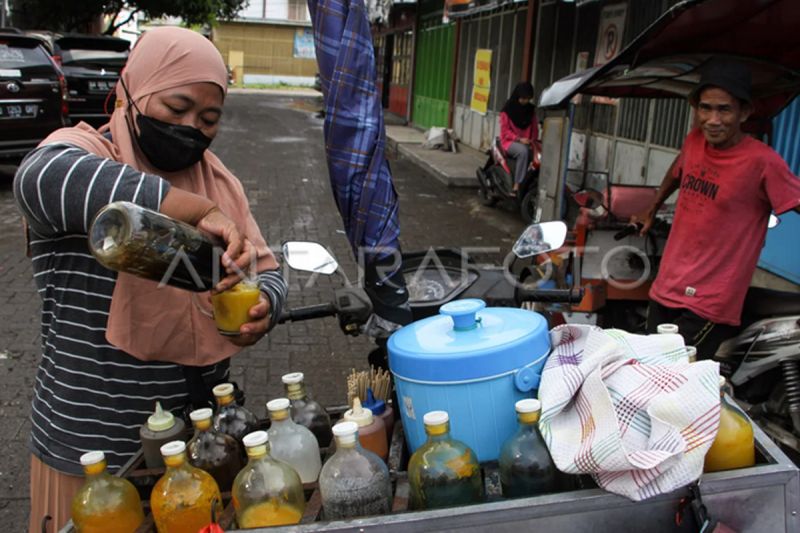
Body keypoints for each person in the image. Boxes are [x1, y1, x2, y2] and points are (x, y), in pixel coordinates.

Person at [13, 27, 288, 532]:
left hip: (200, 441)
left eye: (209, 118)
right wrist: (189, 210)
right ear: (128, 91)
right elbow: (39, 179)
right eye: (177, 107)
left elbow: (264, 270)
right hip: (95, 450)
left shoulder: (219, 181)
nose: (191, 128)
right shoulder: (81, 152)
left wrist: (264, 306)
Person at [632, 58, 800, 357]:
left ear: (744, 112)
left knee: (675, 378)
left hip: (710, 300)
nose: (712, 119)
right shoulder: (695, 140)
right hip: (667, 285)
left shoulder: (763, 162)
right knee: (648, 369)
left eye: (724, 109)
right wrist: (652, 207)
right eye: (705, 108)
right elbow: (678, 170)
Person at [499, 81, 539, 195]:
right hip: (509, 142)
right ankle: (517, 184)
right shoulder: (507, 110)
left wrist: (534, 141)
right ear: (517, 96)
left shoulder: (531, 110)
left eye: (528, 99)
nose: (525, 101)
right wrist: (519, 139)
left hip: (527, 142)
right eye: (523, 98)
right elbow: (505, 131)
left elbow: (534, 129)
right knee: (523, 151)